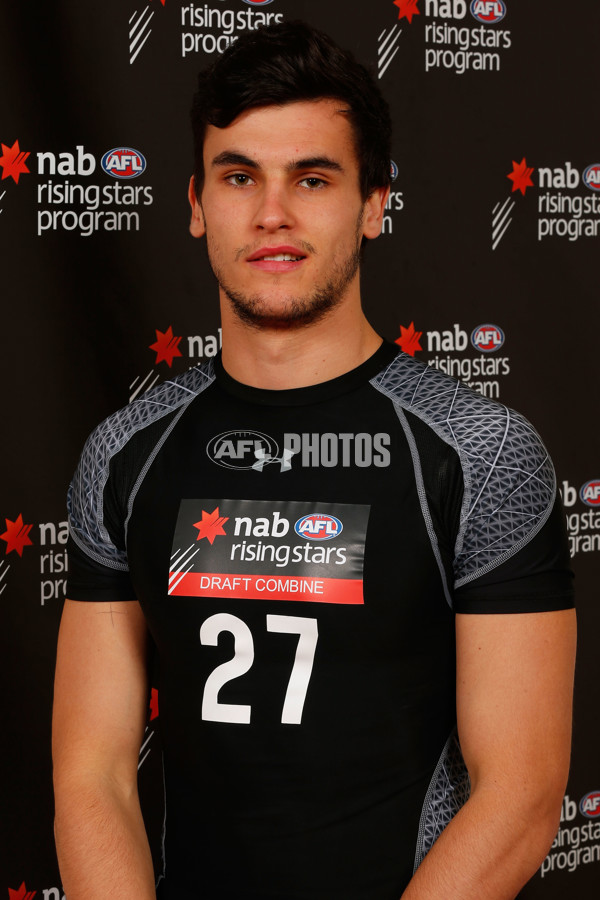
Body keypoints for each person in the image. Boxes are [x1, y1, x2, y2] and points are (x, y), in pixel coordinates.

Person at [52, 20, 576, 900]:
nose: (272, 214)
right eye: (239, 175)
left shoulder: (479, 453)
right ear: (194, 202)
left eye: (314, 177)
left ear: (375, 201)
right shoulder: (124, 454)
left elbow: (520, 796)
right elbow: (91, 772)